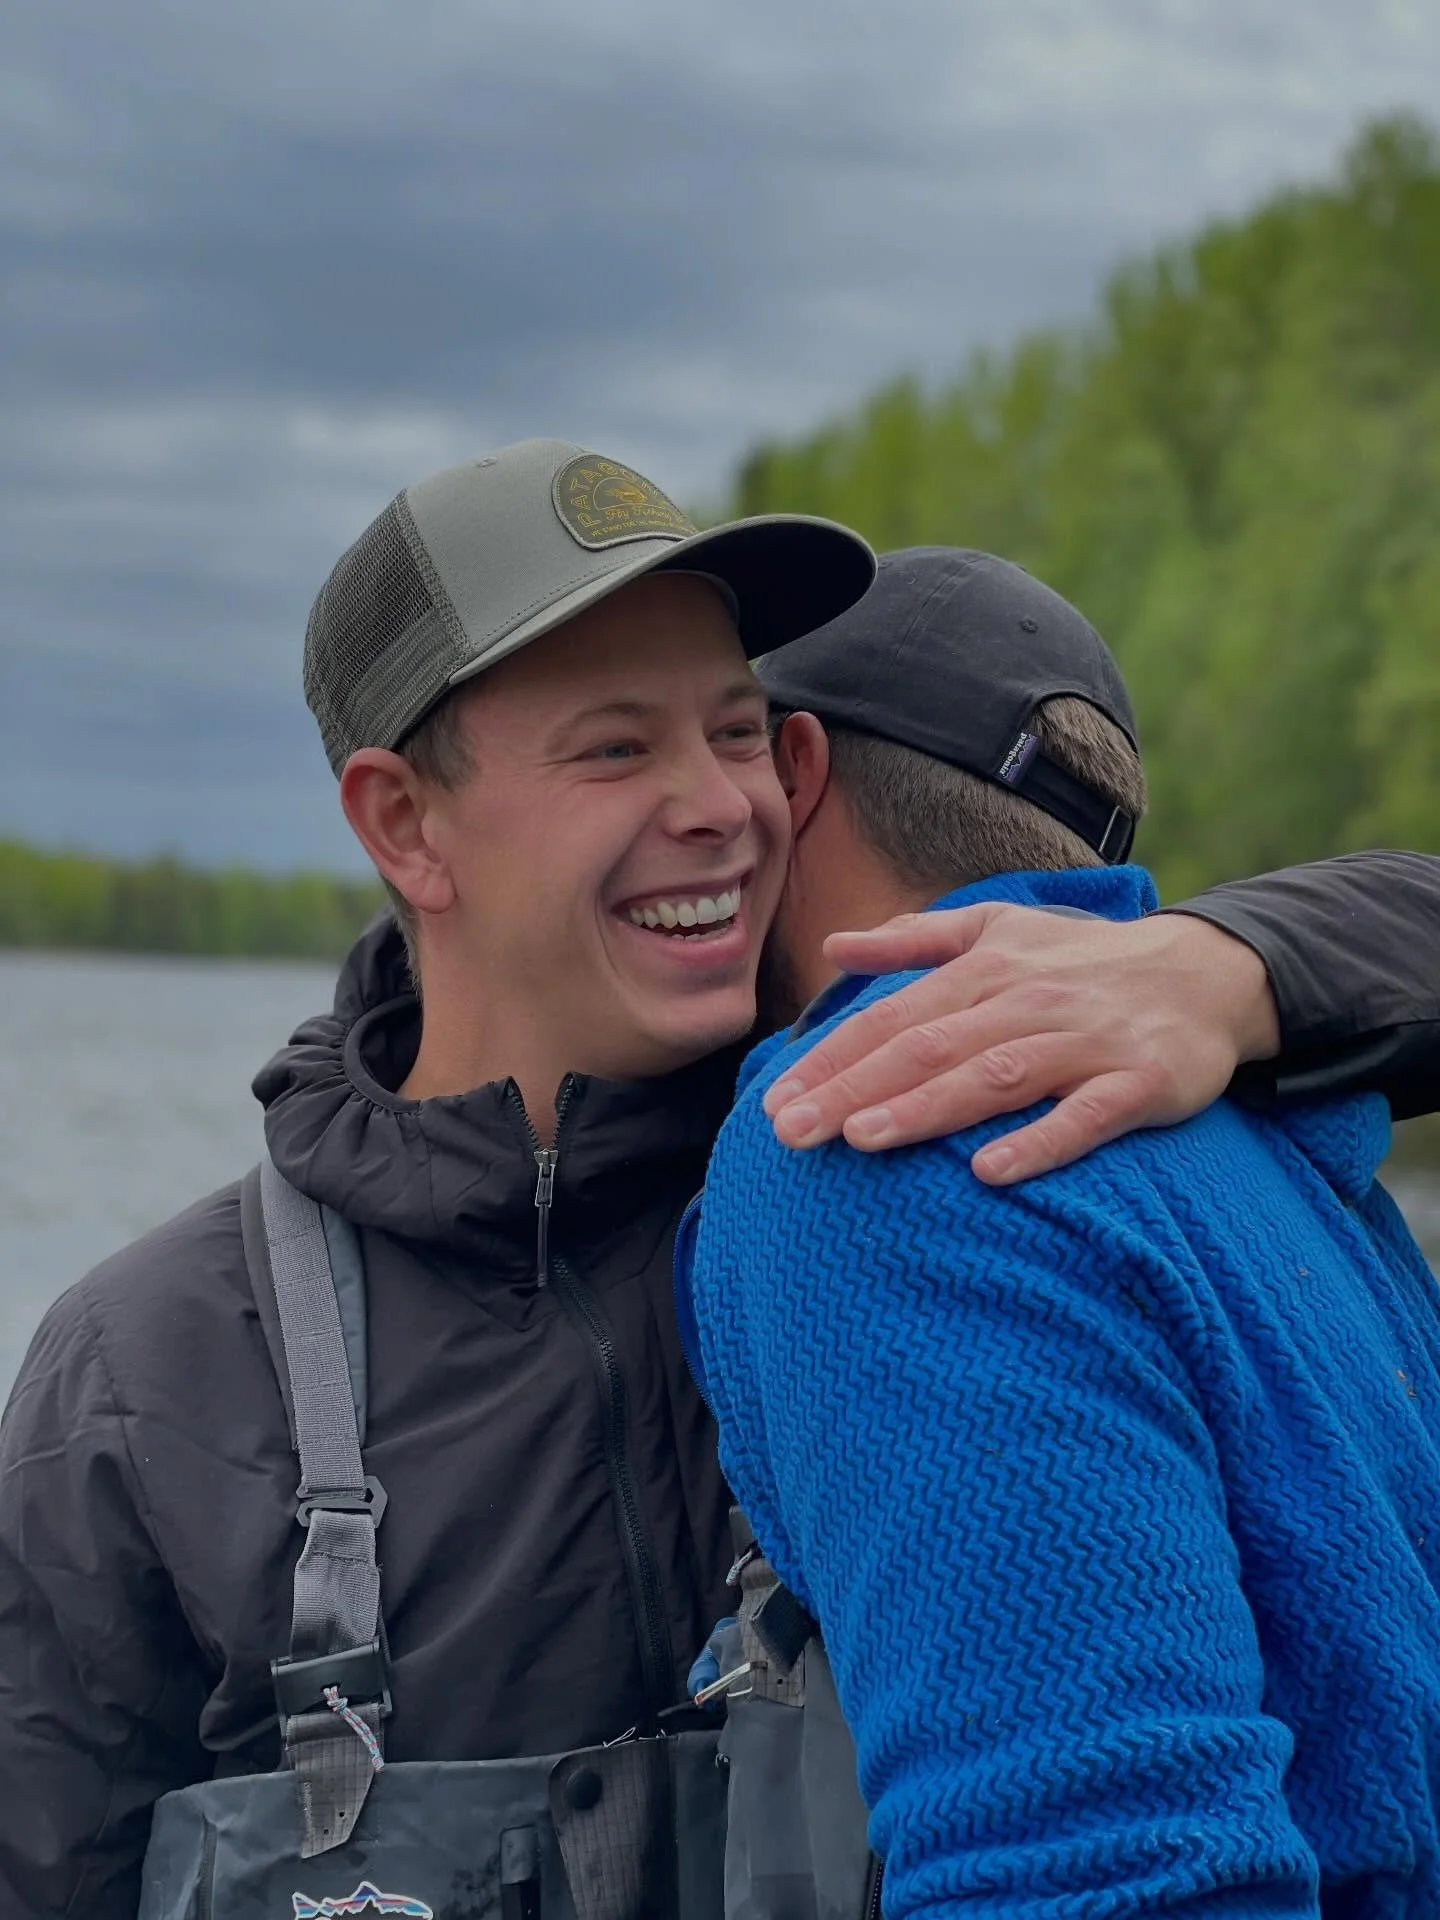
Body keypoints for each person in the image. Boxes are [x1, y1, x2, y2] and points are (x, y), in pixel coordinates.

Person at [0, 444, 1436, 1916]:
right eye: (616, 749)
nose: (719, 805)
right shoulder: (138, 1376)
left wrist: (1235, 963)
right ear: (402, 824)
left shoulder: (891, 1139)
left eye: (740, 733)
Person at [677, 546, 1440, 1916]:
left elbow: (1098, 1879)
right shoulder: (1276, 1136)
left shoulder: (878, 1130)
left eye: (728, 748)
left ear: (794, 776)